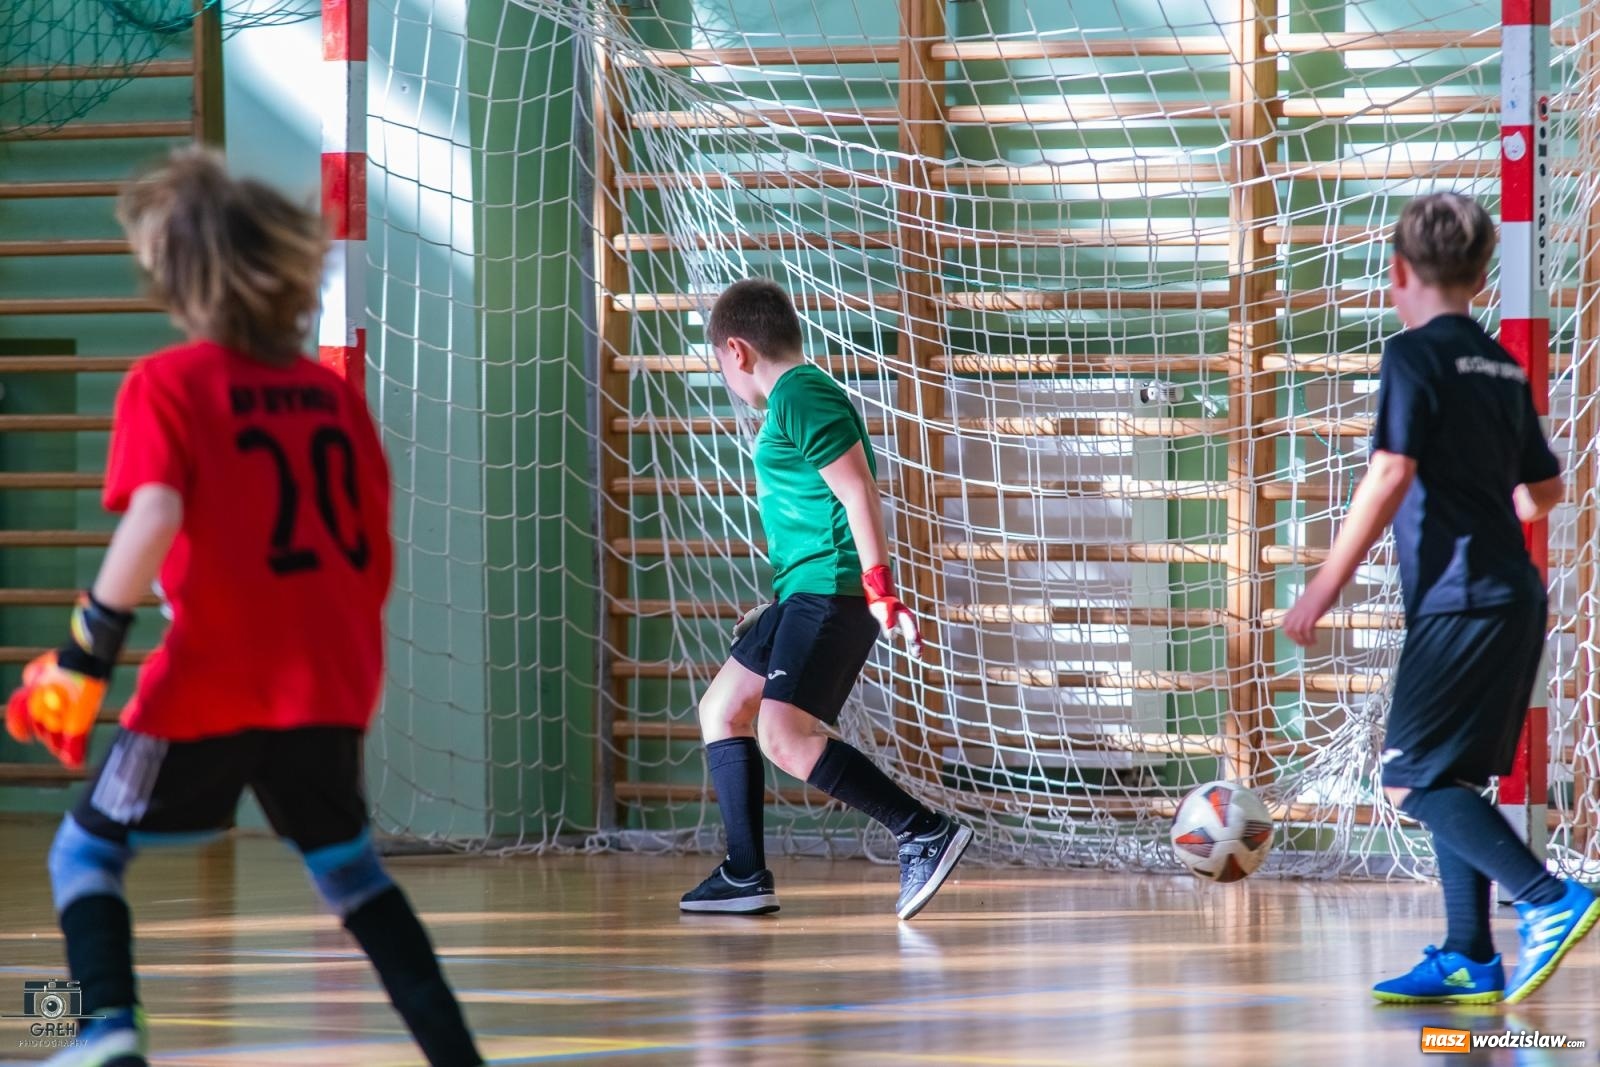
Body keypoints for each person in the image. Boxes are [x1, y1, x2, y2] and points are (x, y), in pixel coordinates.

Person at [5, 148, 484, 1066]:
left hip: (213, 683)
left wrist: (83, 656)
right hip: (329, 688)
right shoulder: (335, 401)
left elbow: (155, 514)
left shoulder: (168, 384)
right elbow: (372, 546)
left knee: (85, 854)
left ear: (177, 280)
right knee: (351, 875)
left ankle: (104, 1032)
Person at [1281, 192, 1596, 1004]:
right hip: (1512, 598)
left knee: (1409, 778)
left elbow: (1390, 473)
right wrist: (1492, 502)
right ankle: (1469, 955)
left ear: (1397, 272)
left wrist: (1324, 583)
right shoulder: (1500, 365)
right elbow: (1545, 489)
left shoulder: (1412, 356)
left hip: (1459, 602)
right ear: (1483, 275)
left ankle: (1549, 897)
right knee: (1451, 774)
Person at [680, 278, 971, 920]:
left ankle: (923, 830)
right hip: (803, 593)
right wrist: (780, 608)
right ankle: (744, 873)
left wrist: (879, 591)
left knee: (783, 737)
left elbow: (857, 491)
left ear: (737, 351)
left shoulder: (799, 394)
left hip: (832, 592)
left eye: (720, 364)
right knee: (722, 708)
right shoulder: (793, 398)